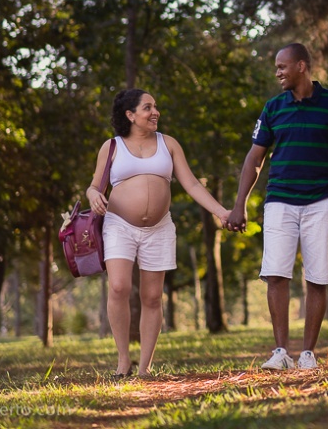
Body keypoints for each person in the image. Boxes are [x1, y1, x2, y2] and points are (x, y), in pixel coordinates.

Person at [226, 42, 328, 371]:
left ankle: (308, 354)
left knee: (317, 278)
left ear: (302, 66)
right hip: (279, 201)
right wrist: (239, 204)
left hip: (319, 202)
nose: (278, 73)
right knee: (276, 275)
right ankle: (281, 351)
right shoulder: (273, 108)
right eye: (276, 67)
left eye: (282, 66)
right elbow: (254, 159)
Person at [86, 89, 231, 377]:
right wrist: (92, 195)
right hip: (119, 224)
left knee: (153, 297)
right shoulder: (111, 147)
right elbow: (94, 186)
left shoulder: (169, 144)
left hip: (159, 228)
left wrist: (221, 212)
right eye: (147, 108)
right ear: (130, 115)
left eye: (156, 107)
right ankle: (123, 359)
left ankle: (145, 367)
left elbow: (191, 184)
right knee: (118, 287)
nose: (156, 112)